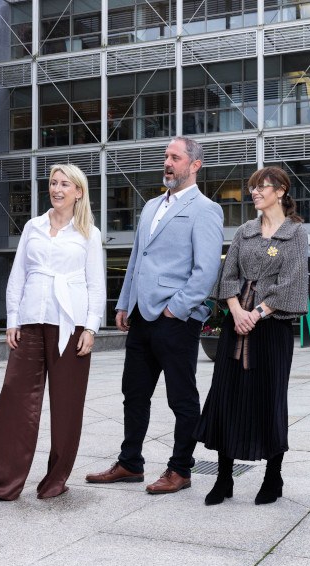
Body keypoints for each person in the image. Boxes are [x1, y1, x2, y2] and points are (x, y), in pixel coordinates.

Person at [85, 137, 224, 494]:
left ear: (195, 165)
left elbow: (206, 271)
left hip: (176, 320)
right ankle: (130, 463)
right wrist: (122, 304)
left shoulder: (205, 209)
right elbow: (137, 260)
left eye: (175, 157)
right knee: (134, 393)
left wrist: (174, 309)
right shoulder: (150, 207)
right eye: (166, 157)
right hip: (141, 318)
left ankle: (181, 469)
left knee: (181, 398)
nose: (167, 163)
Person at [0, 164, 105, 502]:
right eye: (53, 183)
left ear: (79, 191)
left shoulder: (89, 234)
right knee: (15, 401)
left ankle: (55, 479)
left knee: (67, 405)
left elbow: (96, 284)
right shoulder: (33, 227)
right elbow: (18, 276)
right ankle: (1, 483)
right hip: (31, 322)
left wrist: (91, 327)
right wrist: (12, 320)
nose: (57, 188)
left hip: (71, 325)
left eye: (65, 184)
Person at [195, 166, 308, 506]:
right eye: (253, 187)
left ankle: (273, 477)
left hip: (271, 331)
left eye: (262, 187)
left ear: (281, 191)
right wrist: (236, 312)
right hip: (236, 325)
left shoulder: (295, 233)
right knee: (226, 397)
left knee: (269, 398)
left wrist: (256, 314)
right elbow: (227, 275)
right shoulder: (244, 231)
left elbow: (292, 282)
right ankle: (224, 477)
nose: (255, 192)